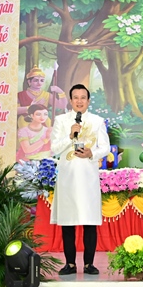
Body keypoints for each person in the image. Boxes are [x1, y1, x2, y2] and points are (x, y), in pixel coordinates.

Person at [50, 84, 110, 276]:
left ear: (88, 101)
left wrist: (92, 153)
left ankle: (89, 264)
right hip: (67, 178)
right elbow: (54, 148)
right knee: (68, 222)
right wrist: (70, 136)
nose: (79, 101)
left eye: (83, 97)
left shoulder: (97, 121)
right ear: (70, 100)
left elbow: (105, 148)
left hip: (88, 178)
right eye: (75, 97)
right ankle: (70, 264)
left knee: (89, 221)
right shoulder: (61, 121)